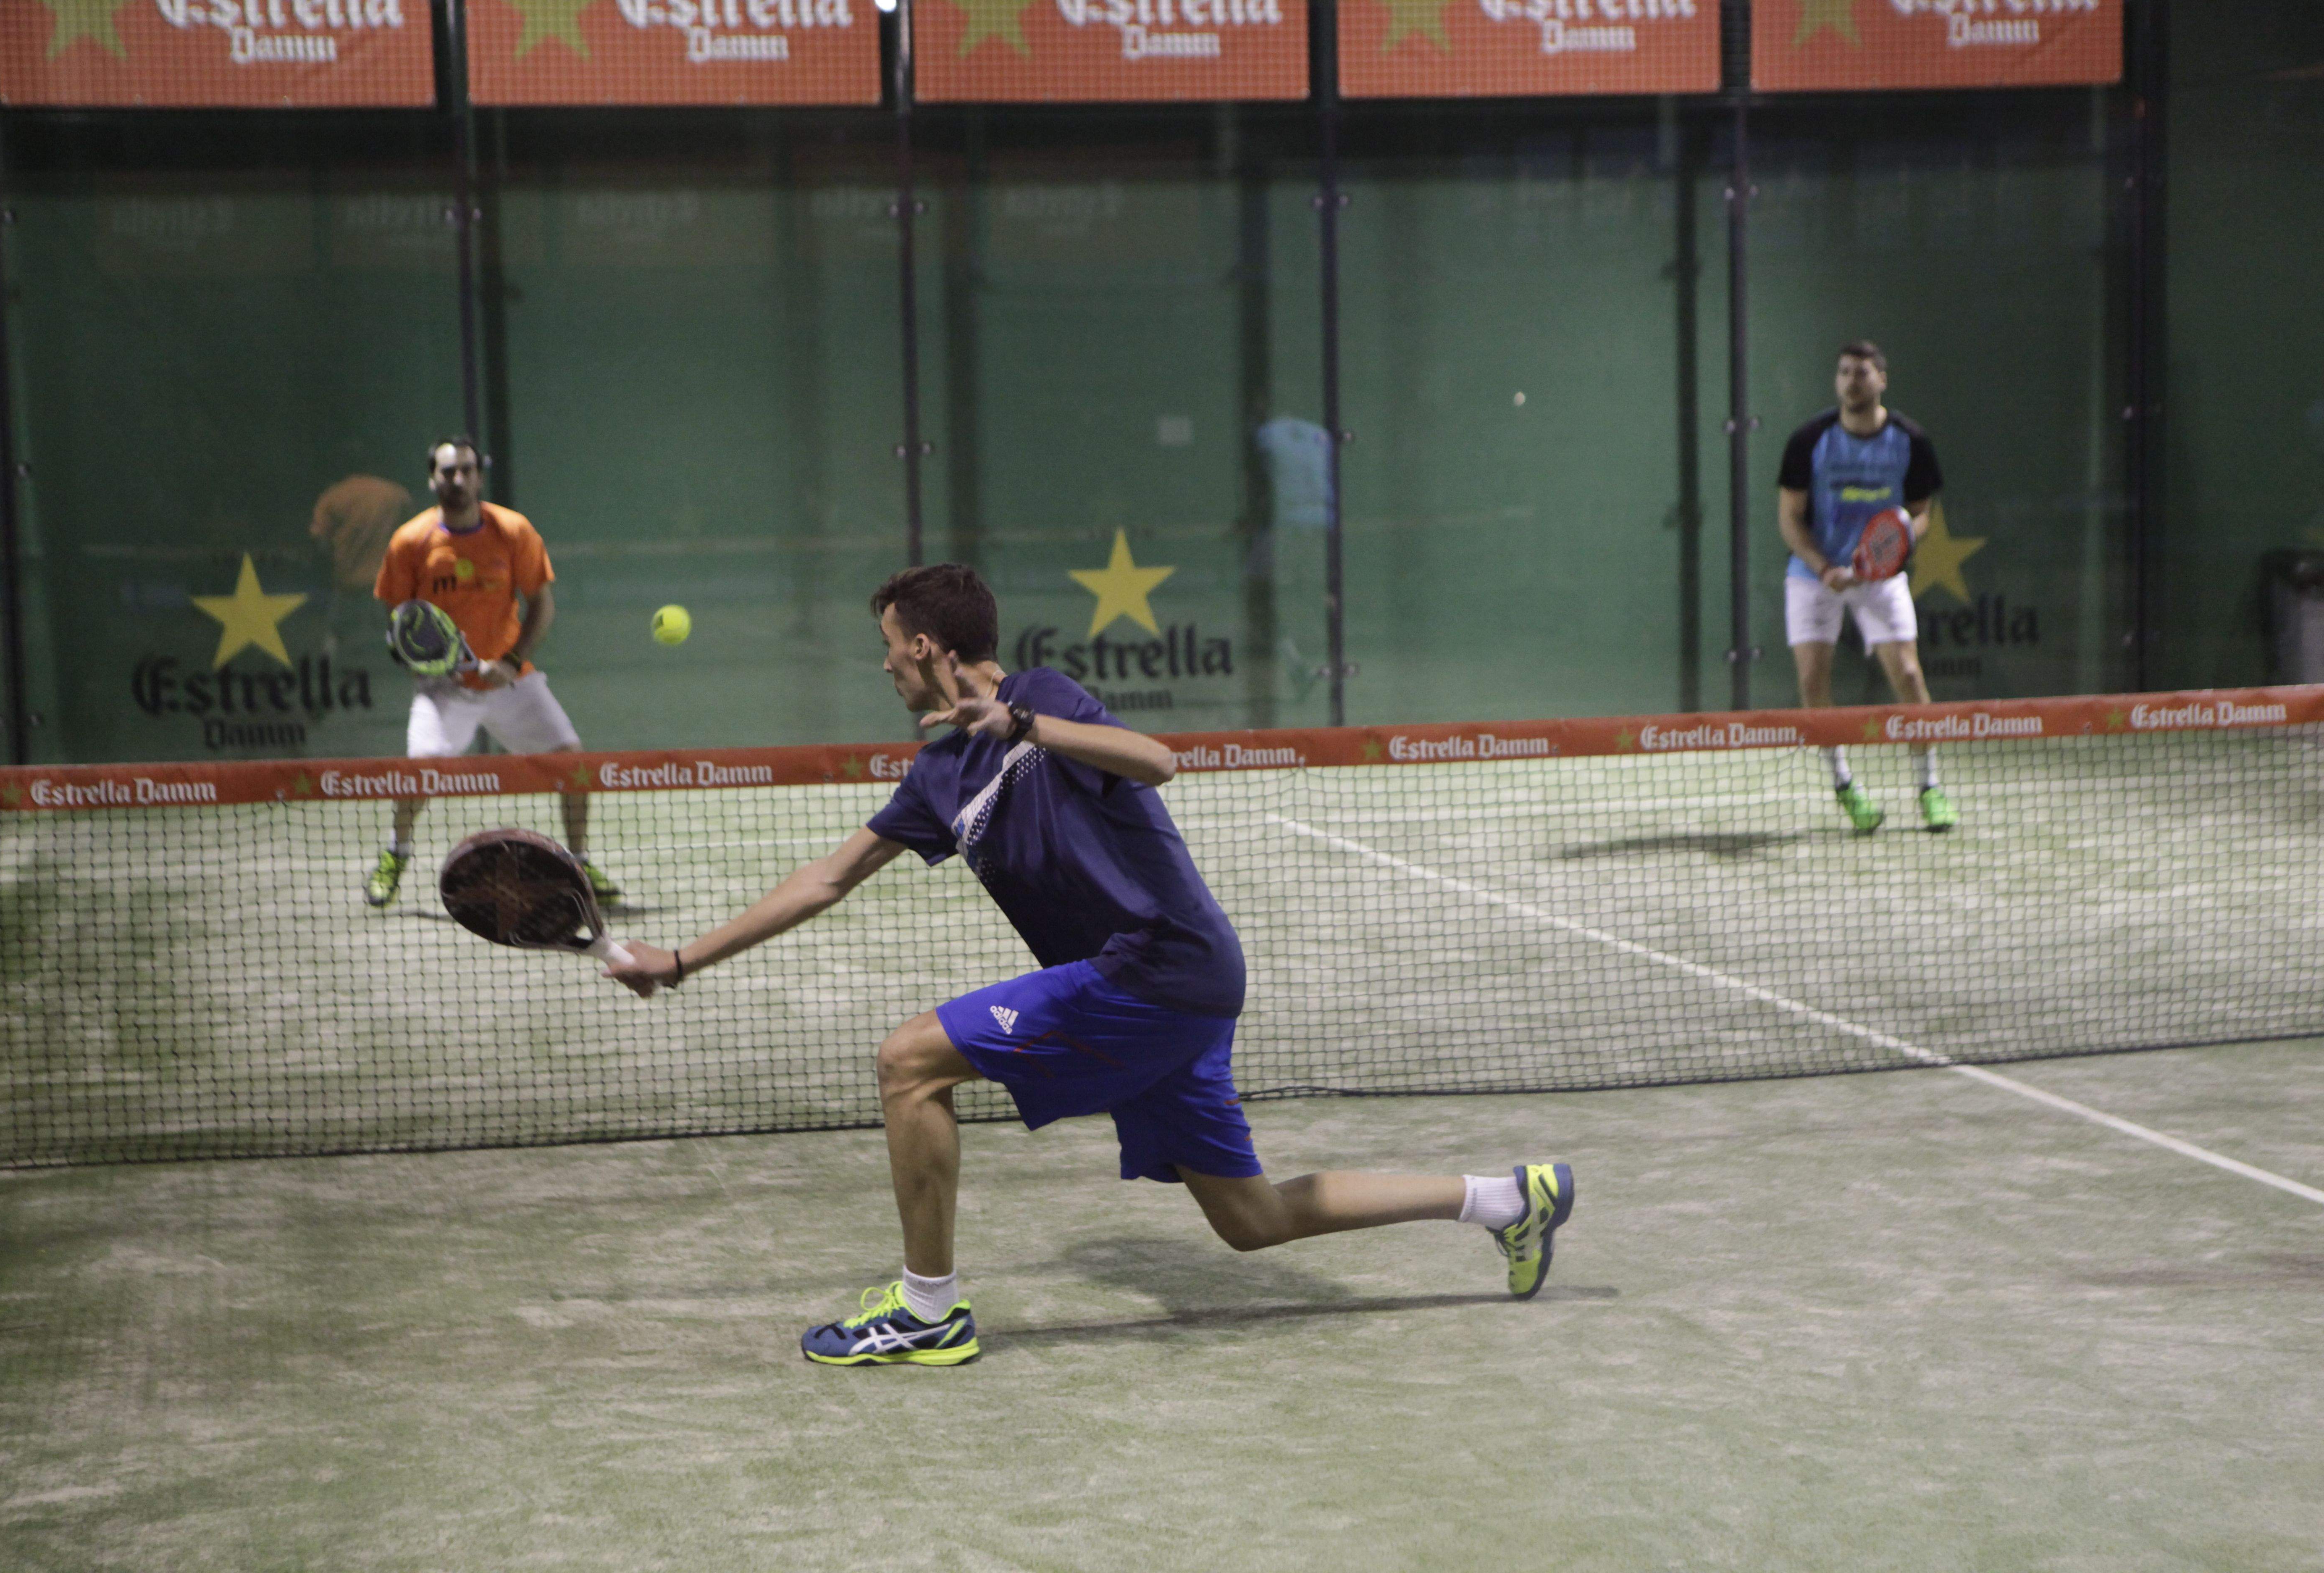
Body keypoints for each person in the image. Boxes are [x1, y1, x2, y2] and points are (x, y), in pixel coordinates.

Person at [605, 563, 1572, 1366]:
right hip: (1175, 990)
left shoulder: (1044, 699)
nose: (885, 667)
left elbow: (1152, 757)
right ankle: (1503, 1199)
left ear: (926, 649)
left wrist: (1023, 727)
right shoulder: (937, 774)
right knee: (1250, 1217)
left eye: (889, 647)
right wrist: (682, 959)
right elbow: (828, 876)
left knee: (909, 1061)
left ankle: (928, 1306)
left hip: (1155, 967)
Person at [363, 437, 619, 907]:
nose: (457, 480)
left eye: (466, 470)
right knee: (420, 771)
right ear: (432, 479)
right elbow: (400, 622)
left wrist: (510, 660)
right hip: (445, 689)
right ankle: (396, 854)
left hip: (512, 681)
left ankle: (579, 863)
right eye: (447, 472)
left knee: (573, 763)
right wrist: (432, 664)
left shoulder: (513, 531)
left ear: (479, 476)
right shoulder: (410, 542)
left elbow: (542, 604)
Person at [1776, 341, 1958, 834]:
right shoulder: (1809, 440)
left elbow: (1921, 514)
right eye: (1843, 373)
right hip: (1814, 576)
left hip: (1881, 577)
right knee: (1814, 682)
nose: (1851, 381)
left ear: (1883, 379)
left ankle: (1930, 788)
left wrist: (1894, 546)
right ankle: (1845, 788)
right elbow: (1790, 520)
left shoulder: (1910, 440)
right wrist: (1822, 567)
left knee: (1910, 676)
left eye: (1861, 373)